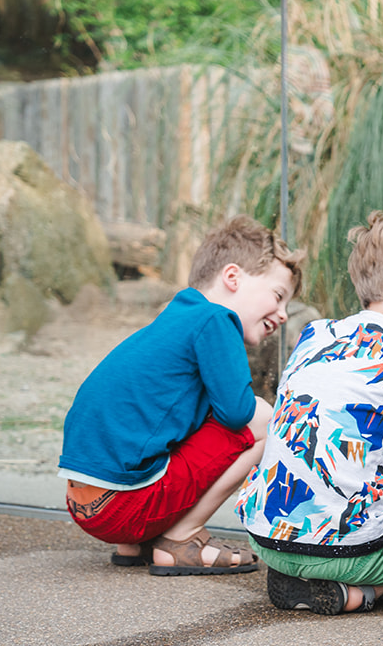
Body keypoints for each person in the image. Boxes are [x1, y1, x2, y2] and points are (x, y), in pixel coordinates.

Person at [235, 207, 383, 614]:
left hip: (266, 539)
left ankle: (308, 579)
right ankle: (369, 590)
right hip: (349, 552)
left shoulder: (316, 337)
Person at [59, 215, 301, 575]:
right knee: (264, 417)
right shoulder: (216, 320)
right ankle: (180, 538)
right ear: (232, 278)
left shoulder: (176, 317)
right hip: (123, 507)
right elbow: (237, 415)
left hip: (85, 505)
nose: (282, 314)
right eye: (278, 296)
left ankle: (138, 544)